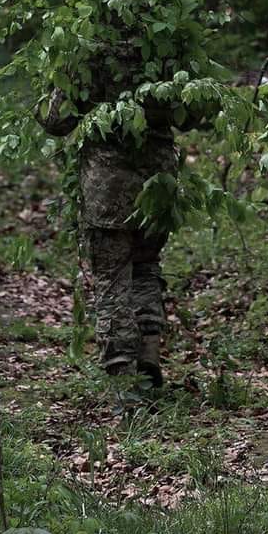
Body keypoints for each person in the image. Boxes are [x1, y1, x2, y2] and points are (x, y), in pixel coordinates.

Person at [37, 41, 200, 389]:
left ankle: (124, 377)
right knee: (145, 268)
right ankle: (149, 356)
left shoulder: (83, 51)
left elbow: (56, 121)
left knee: (112, 281)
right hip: (157, 183)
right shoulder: (166, 49)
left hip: (107, 189)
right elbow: (192, 115)